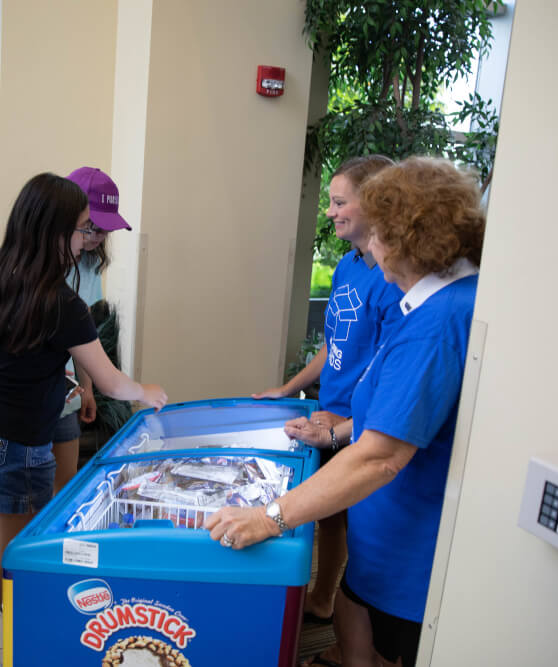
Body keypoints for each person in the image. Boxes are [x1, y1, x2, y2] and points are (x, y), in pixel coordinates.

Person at [207, 157, 485, 667]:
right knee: (357, 625)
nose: (369, 249)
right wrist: (340, 430)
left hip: (410, 548)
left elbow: (381, 457)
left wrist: (271, 517)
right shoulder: (445, 303)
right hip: (386, 535)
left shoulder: (437, 322)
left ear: (400, 237)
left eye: (375, 233)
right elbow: (412, 412)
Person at [0, 173, 167, 667]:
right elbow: (114, 383)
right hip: (13, 443)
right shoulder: (62, 301)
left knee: (1, 552)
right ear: (55, 232)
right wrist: (148, 391)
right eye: (80, 228)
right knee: (11, 561)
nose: (84, 239)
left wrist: (42, 373)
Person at [252, 156, 401, 629]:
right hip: (328, 414)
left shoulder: (394, 278)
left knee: (364, 531)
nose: (331, 212)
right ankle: (322, 599)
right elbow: (333, 346)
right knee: (329, 518)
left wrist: (345, 429)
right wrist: (288, 388)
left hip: (359, 427)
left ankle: (342, 620)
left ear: (375, 204)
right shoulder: (347, 266)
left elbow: (390, 373)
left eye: (340, 202)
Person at [52, 166, 132, 492]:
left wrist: (86, 387)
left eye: (105, 230)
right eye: (92, 227)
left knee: (65, 485)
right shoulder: (41, 265)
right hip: (36, 393)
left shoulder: (88, 263)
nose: (98, 237)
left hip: (68, 392)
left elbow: (83, 333)